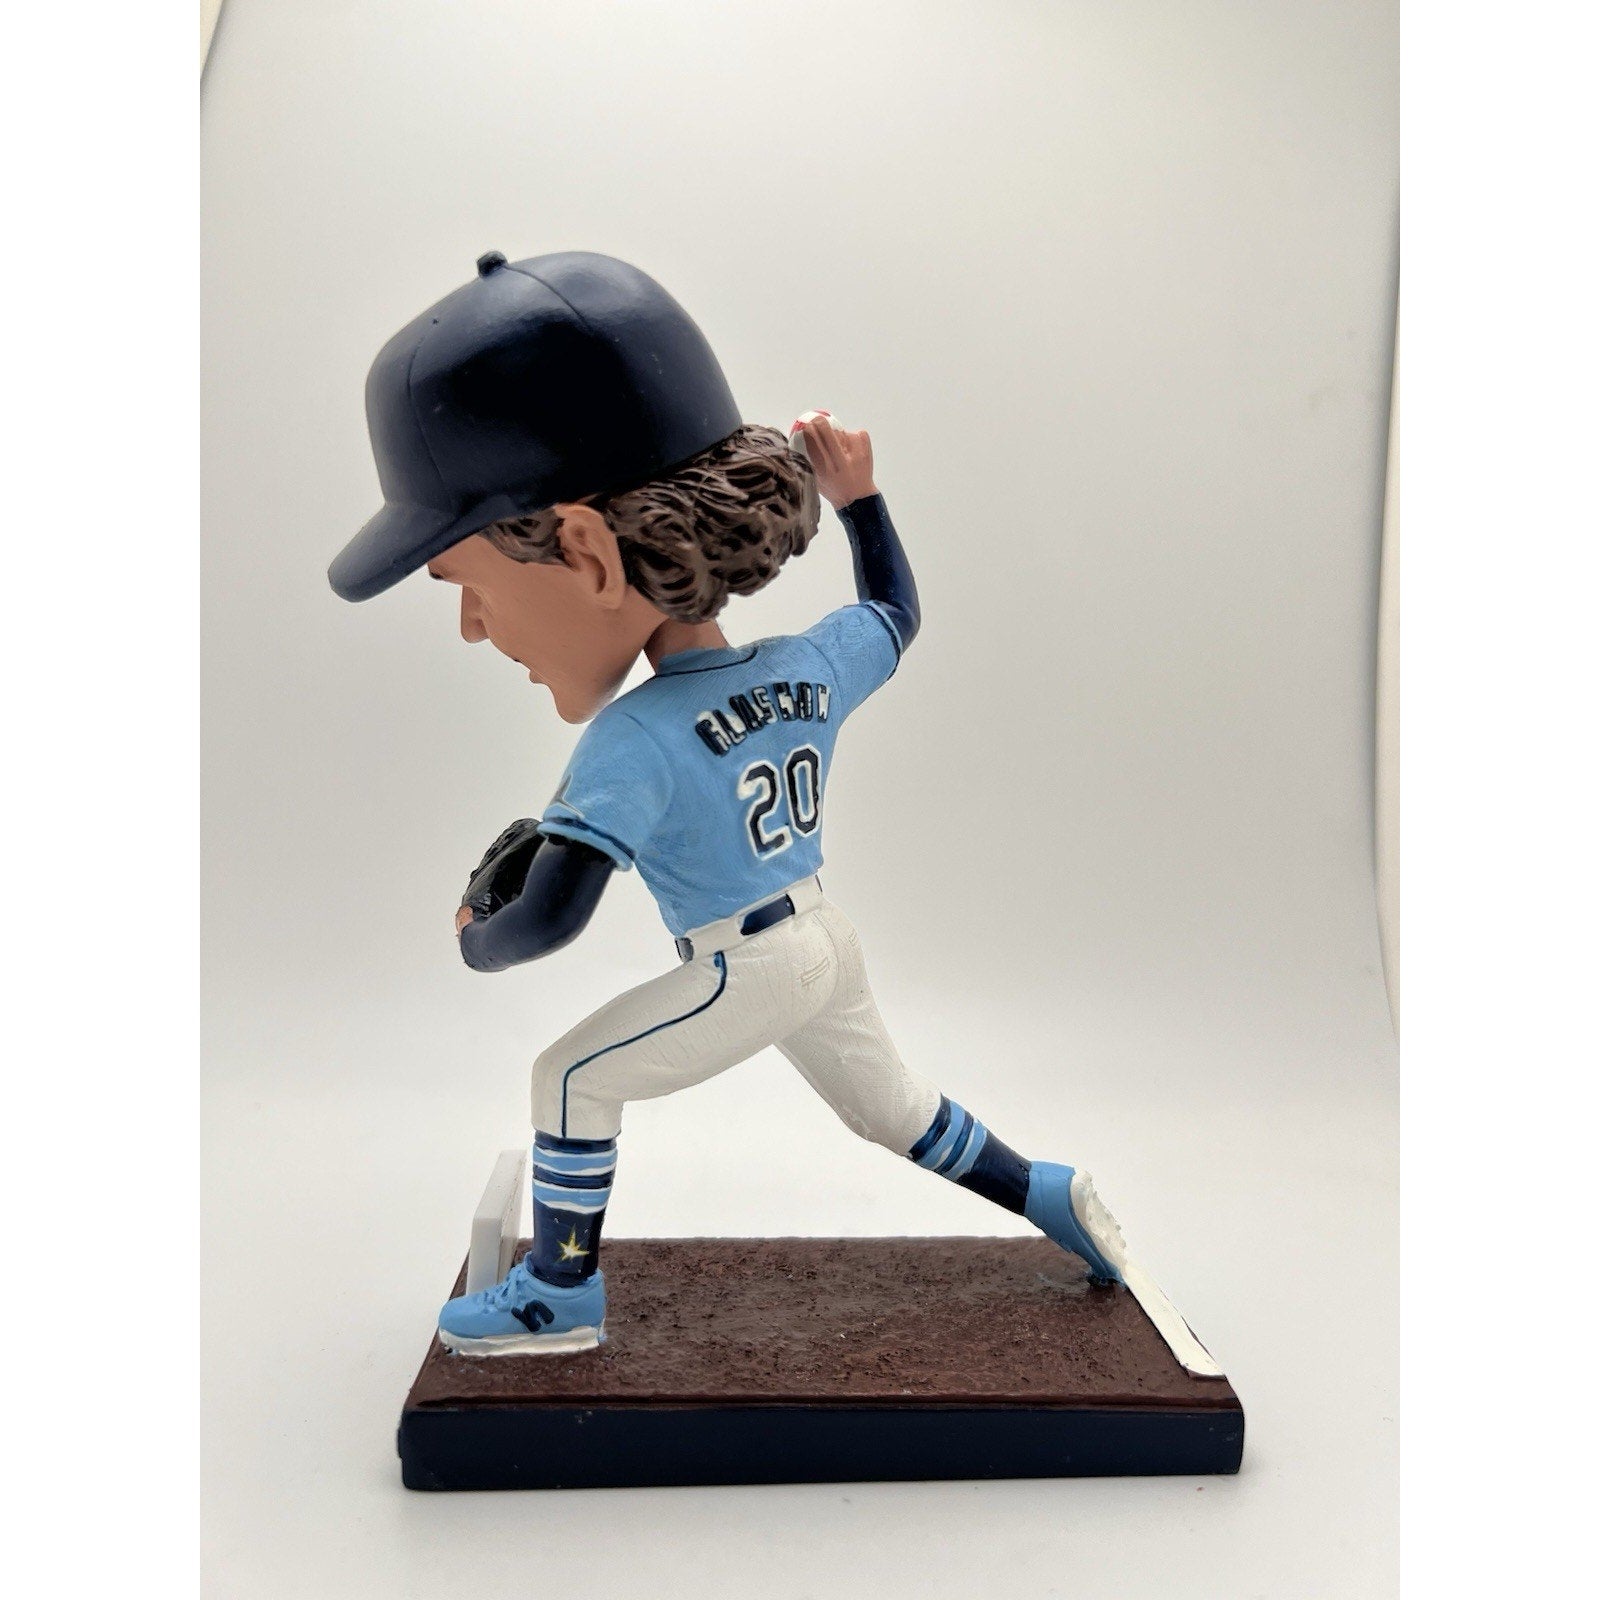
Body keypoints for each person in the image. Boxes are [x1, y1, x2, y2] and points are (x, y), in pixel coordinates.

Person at [330, 253, 1125, 1355]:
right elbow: (895, 610)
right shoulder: (806, 665)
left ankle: (559, 1293)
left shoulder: (633, 739)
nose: (472, 625)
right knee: (895, 1113)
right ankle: (1043, 1190)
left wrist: (476, 937)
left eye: (467, 586)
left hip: (742, 964)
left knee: (567, 1078)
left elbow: (550, 916)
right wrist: (863, 501)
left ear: (588, 554)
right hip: (824, 939)